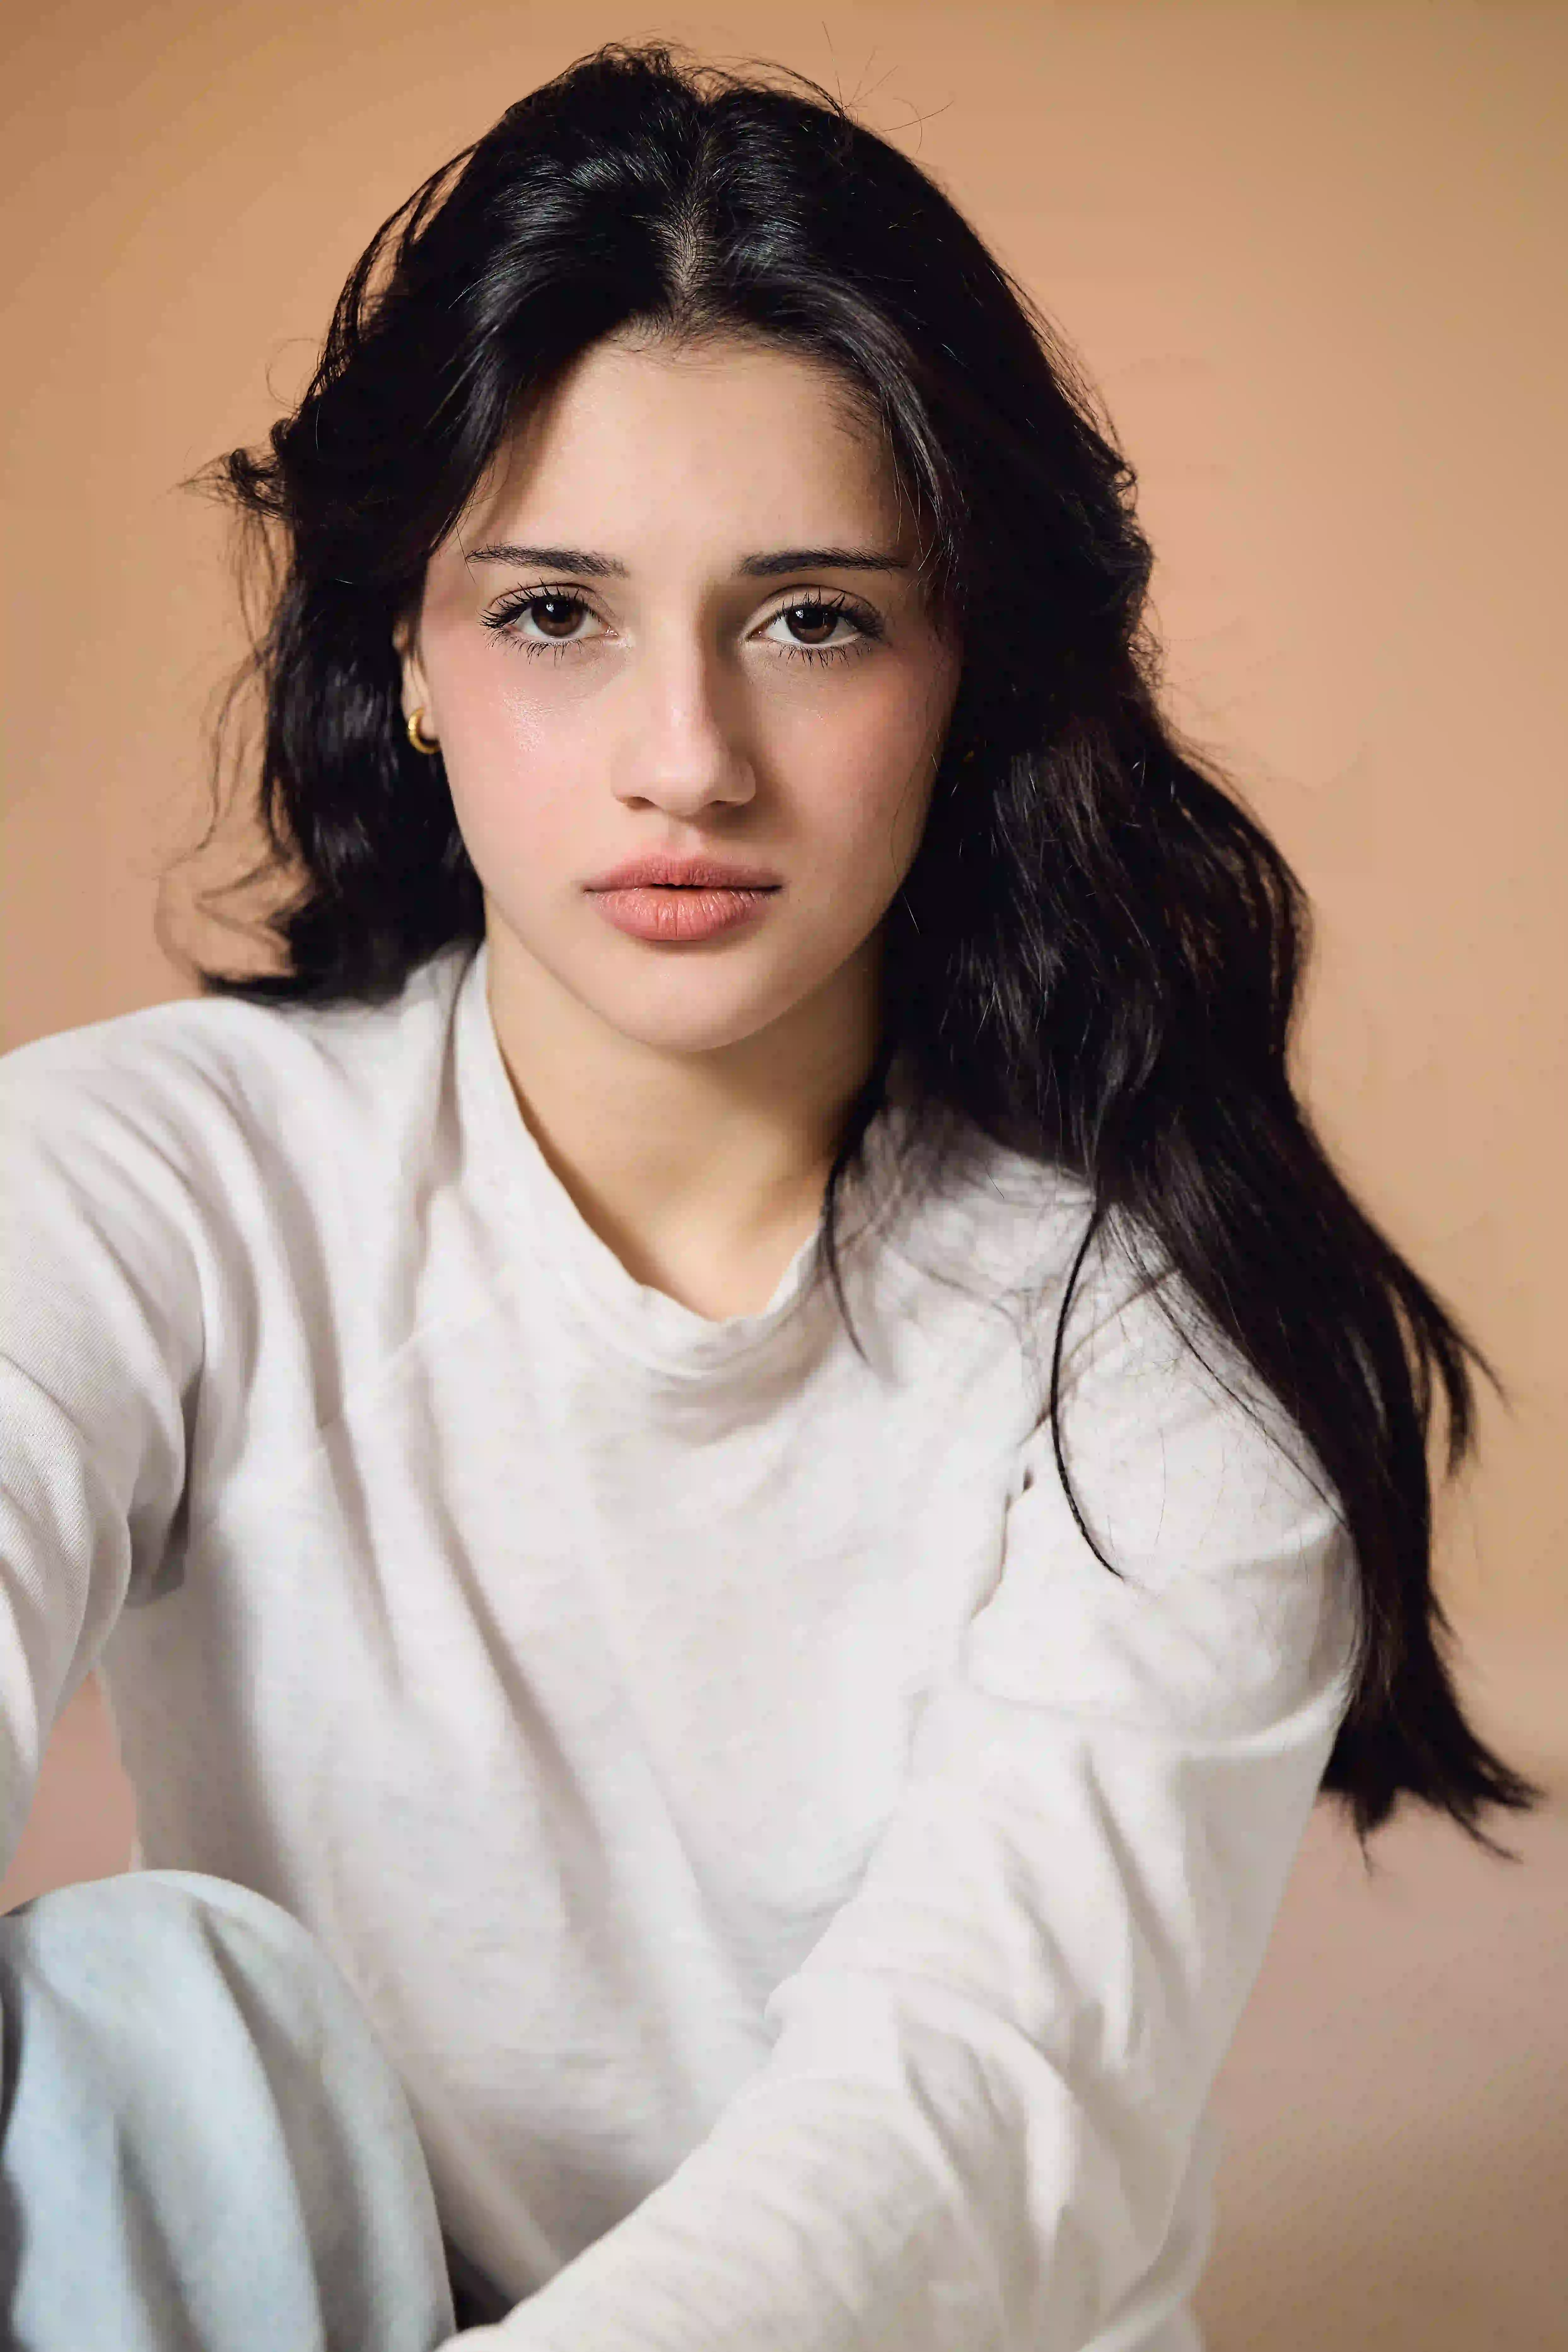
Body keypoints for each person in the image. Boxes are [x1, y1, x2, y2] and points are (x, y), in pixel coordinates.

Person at [0, 36, 1545, 2352]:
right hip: (329, 2299)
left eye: (813, 618)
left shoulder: (1155, 1345)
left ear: (963, 669)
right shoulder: (156, 1183)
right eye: (555, 613)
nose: (687, 763)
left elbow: (959, 2131)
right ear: (405, 650)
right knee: (138, 2019)